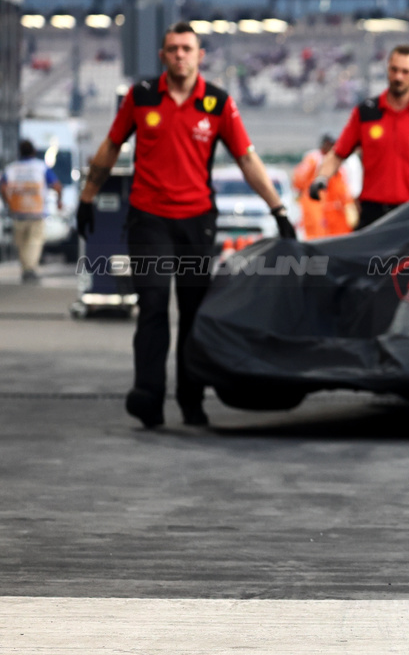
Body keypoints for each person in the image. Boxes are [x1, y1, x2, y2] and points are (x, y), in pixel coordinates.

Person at [75, 21, 297, 429]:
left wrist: (279, 209)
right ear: (162, 56)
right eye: (173, 49)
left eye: (187, 49)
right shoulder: (141, 98)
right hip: (149, 220)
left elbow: (247, 158)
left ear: (199, 56)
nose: (180, 55)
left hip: (197, 223)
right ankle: (148, 396)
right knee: (154, 306)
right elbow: (111, 145)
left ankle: (192, 401)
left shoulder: (217, 103)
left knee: (194, 313)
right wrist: (87, 197)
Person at [311, 44, 409, 230]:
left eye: (405, 71)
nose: (398, 77)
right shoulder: (365, 113)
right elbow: (338, 154)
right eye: (394, 70)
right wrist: (321, 177)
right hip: (372, 213)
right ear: (388, 68)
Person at [0, 139, 62, 283]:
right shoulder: (41, 167)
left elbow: (3, 187)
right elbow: (57, 186)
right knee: (34, 241)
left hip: (18, 211)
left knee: (21, 242)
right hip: (36, 211)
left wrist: (8, 203)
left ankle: (26, 269)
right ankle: (30, 269)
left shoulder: (11, 168)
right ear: (34, 151)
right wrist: (59, 201)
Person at [292, 133, 353, 239]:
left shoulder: (337, 161)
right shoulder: (313, 159)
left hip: (331, 209)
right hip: (314, 204)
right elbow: (298, 181)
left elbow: (342, 188)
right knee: (315, 235)